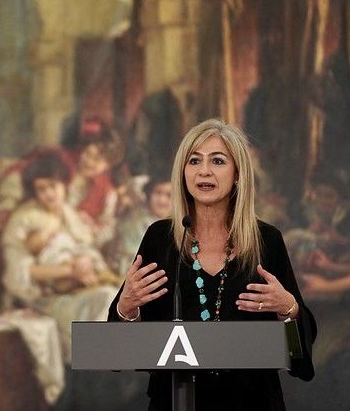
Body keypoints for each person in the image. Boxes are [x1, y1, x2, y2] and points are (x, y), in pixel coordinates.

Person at [108, 119, 316, 410]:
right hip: (175, 400)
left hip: (252, 401)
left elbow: (298, 354)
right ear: (183, 172)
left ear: (238, 174)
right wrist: (126, 309)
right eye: (194, 160)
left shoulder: (267, 240)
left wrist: (289, 309)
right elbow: (118, 352)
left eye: (217, 161)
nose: (204, 171)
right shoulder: (160, 238)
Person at [1, 152, 117, 359]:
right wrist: (69, 271)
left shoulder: (71, 216)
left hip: (76, 290)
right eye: (41, 189)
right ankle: (92, 366)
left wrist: (87, 263)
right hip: (44, 299)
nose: (49, 194)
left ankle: (105, 364)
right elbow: (19, 273)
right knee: (104, 304)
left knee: (112, 298)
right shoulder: (24, 219)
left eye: (53, 186)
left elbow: (88, 250)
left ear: (65, 185)